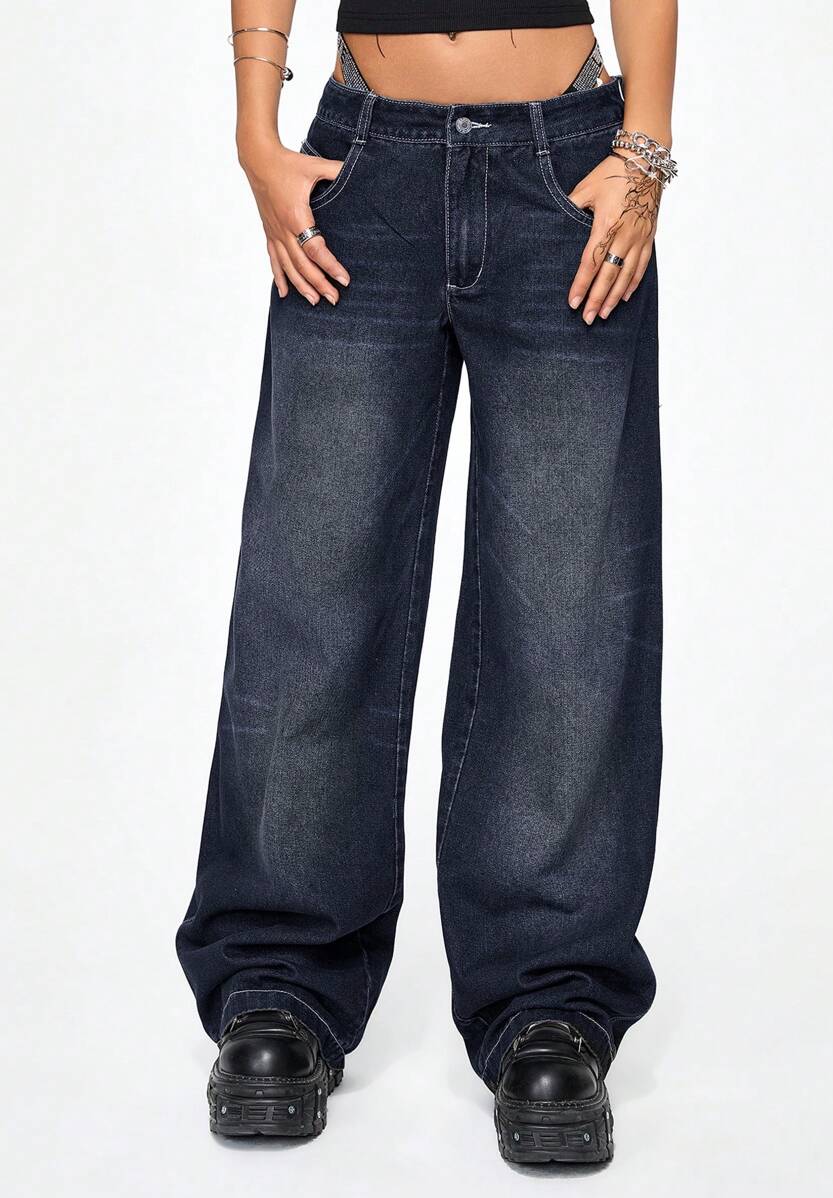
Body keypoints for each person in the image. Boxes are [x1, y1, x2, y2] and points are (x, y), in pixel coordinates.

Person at [176, 0, 677, 1165]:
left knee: (567, 598)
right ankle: (278, 983)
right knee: (313, 584)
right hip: (363, 170)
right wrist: (256, 134)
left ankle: (551, 996)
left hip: (569, 175)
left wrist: (644, 151)